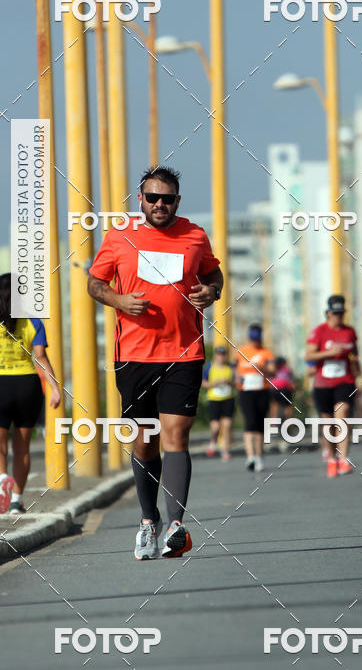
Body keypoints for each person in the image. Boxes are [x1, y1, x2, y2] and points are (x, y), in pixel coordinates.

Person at [87, 166, 223, 561]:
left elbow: (214, 273)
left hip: (184, 352)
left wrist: (211, 291)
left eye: (168, 198)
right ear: (140, 200)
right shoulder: (119, 235)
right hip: (133, 356)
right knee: (145, 442)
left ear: (177, 201)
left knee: (176, 436)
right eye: (153, 197)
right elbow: (95, 283)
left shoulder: (194, 235)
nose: (160, 204)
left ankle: (177, 525)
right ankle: (149, 522)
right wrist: (119, 301)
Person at [0, 273, 61, 513]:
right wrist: (55, 388)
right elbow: (41, 358)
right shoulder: (33, 322)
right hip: (27, 387)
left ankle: (2, 480)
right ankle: (16, 501)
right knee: (22, 449)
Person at [306, 295, 360, 478]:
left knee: (342, 415)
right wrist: (330, 352)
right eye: (335, 313)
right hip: (323, 383)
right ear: (328, 313)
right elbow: (309, 356)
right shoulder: (319, 331)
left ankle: (343, 459)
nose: (338, 317)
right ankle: (331, 458)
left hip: (345, 380)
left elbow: (355, 353)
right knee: (327, 422)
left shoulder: (349, 332)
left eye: (341, 313)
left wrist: (355, 363)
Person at [235, 323, 274, 472]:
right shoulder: (242, 352)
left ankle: (259, 456)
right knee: (249, 422)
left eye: (257, 339)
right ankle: (250, 456)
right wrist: (237, 378)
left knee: (259, 424)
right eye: (253, 339)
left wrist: (261, 367)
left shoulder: (266, 353)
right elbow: (237, 371)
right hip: (246, 391)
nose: (255, 342)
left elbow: (272, 372)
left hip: (261, 391)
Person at [203, 345, 235, 461]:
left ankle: (225, 451)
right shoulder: (209, 367)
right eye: (219, 354)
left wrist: (229, 382)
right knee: (216, 427)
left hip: (228, 398)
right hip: (214, 399)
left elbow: (237, 382)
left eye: (223, 354)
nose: (221, 357)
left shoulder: (230, 367)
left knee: (227, 426)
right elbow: (203, 383)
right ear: (216, 355)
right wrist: (215, 383)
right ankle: (213, 441)